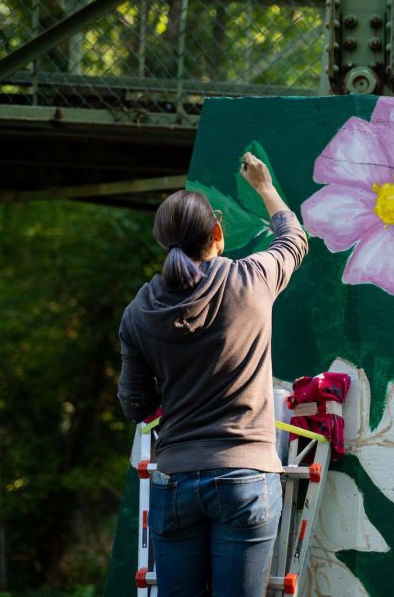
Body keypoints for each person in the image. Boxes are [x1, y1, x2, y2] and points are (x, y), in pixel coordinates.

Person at [116, 153, 308, 596]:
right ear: (217, 234)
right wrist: (264, 187)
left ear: (164, 242)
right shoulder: (251, 280)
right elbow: (294, 240)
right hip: (247, 478)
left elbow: (136, 407)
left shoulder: (139, 314)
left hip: (176, 481)